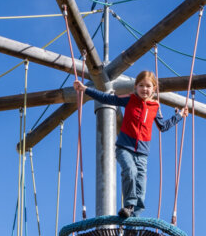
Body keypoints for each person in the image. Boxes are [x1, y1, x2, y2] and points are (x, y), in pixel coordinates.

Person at [73, 71, 188, 218]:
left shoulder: (155, 107)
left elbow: (163, 126)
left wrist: (179, 116)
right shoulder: (130, 99)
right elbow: (108, 98)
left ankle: (134, 218)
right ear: (136, 87)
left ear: (154, 89)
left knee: (141, 185)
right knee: (130, 171)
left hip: (142, 153)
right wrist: (85, 89)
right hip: (124, 147)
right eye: (141, 85)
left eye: (148, 86)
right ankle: (128, 205)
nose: (144, 89)